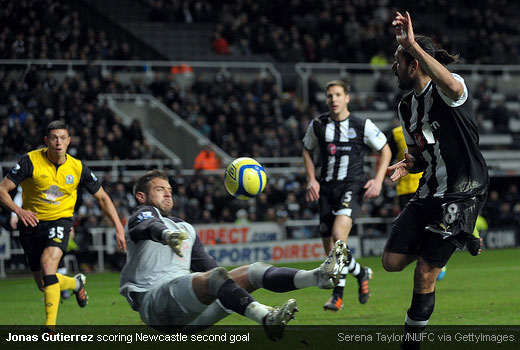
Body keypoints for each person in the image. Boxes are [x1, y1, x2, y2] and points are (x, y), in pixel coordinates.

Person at [119, 170, 348, 341]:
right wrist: (167, 235)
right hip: (155, 304)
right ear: (141, 196)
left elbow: (211, 271)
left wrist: (239, 293)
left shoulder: (186, 229)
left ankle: (317, 277)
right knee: (217, 277)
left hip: (189, 315)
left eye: (169, 189)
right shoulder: (143, 214)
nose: (168, 193)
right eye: (160, 189)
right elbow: (148, 225)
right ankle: (267, 320)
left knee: (252, 271)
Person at [385, 11, 489, 350]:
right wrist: (408, 164)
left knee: (426, 271)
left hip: (463, 191)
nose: (392, 68)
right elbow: (422, 154)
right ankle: (461, 235)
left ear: (414, 64)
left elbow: (451, 84)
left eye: (397, 61)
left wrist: (412, 44)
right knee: (391, 262)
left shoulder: (449, 89)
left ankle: (410, 343)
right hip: (429, 190)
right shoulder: (405, 108)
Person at [0, 120, 126, 329]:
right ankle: (76, 283)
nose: (58, 142)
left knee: (49, 265)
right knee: (43, 284)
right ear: (46, 141)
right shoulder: (29, 161)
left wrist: (119, 227)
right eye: (54, 138)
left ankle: (50, 328)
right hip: (31, 224)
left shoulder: (77, 167)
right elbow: (2, 190)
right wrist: (19, 210)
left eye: (62, 138)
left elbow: (102, 198)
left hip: (60, 221)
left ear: (68, 141)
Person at [302, 80, 392, 311]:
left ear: (347, 98)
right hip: (326, 189)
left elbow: (385, 150)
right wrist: (311, 179)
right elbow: (306, 149)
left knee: (337, 235)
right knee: (330, 253)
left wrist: (379, 179)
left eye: (338, 95)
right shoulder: (319, 124)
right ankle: (361, 273)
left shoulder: (362, 125)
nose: (333, 99)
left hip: (352, 187)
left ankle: (337, 296)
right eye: (330, 95)